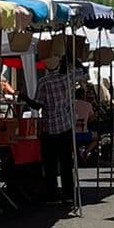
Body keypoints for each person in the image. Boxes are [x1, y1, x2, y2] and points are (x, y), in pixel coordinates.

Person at [37, 42, 76, 202]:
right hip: (66, 125)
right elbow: (82, 72)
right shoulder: (67, 78)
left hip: (50, 127)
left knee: (50, 165)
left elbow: (38, 104)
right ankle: (69, 194)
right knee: (67, 163)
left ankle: (53, 195)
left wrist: (23, 96)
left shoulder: (44, 82)